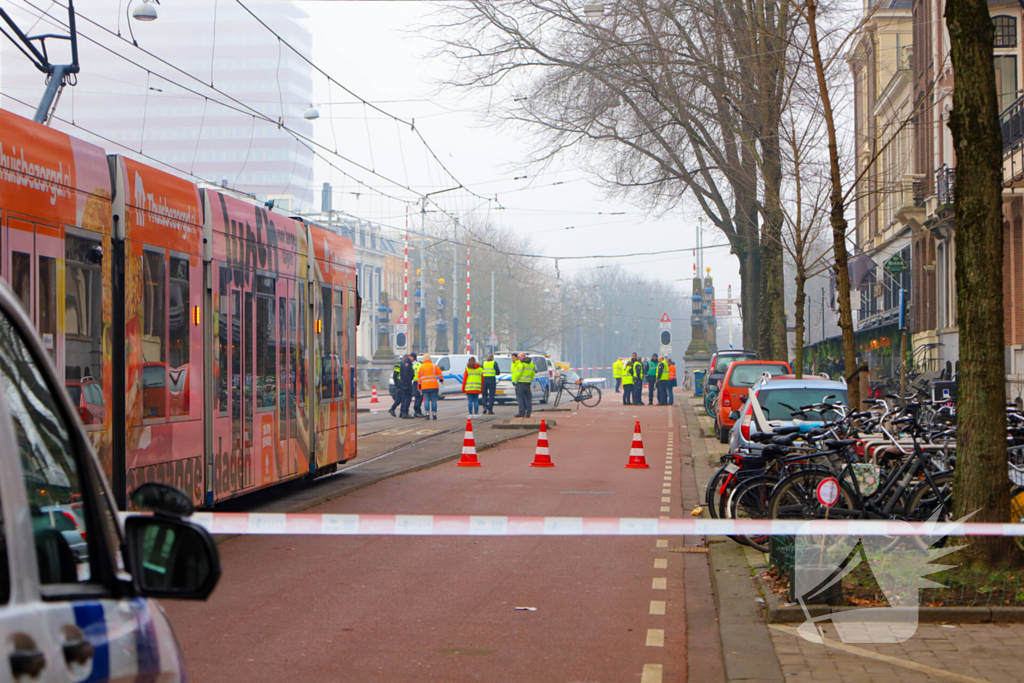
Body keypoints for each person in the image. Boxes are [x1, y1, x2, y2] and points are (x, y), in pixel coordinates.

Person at [418, 353, 443, 420]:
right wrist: (441, 379)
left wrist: (419, 385)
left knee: (426, 400)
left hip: (425, 386)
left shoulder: (421, 367)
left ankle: (427, 414)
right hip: (434, 386)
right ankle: (434, 414)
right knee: (434, 400)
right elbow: (440, 373)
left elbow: (419, 377)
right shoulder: (434, 366)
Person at [512, 352, 535, 418]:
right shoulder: (532, 364)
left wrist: (515, 381)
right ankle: (528, 413)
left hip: (520, 383)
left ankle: (521, 412)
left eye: (519, 357)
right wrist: (529, 380)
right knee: (528, 399)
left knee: (520, 398)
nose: (518, 358)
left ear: (523, 356)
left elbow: (518, 374)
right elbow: (533, 374)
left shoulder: (521, 364)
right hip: (528, 384)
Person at [410, 352, 424, 417]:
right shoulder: (409, 364)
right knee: (418, 397)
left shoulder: (419, 364)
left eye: (411, 357)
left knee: (418, 397)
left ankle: (418, 411)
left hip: (418, 382)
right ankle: (417, 411)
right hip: (414, 382)